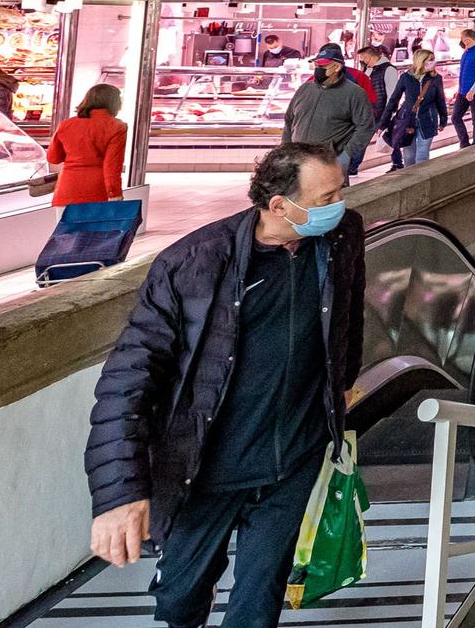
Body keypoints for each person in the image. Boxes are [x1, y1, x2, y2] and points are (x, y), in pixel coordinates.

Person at [84, 144, 364, 628]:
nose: (340, 205)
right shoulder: (192, 264)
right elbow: (128, 378)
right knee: (180, 598)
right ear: (280, 206)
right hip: (206, 470)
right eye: (327, 197)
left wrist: (342, 383)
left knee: (258, 602)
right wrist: (118, 495)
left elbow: (347, 314)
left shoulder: (341, 236)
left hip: (292, 463)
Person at [280, 44, 376, 180]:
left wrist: (346, 156)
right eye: (316, 65)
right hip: (298, 163)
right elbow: (289, 120)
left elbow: (366, 127)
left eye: (322, 66)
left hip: (329, 165)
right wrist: (285, 149)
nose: (318, 69)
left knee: (328, 199)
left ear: (337, 67)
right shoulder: (305, 89)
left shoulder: (354, 93)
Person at [47, 83, 129, 205]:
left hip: (67, 189)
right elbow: (112, 166)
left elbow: (53, 158)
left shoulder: (66, 124)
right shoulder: (117, 127)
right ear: (114, 103)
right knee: (97, 224)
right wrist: (115, 194)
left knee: (66, 224)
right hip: (98, 190)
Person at [384, 48, 446, 168]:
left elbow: (440, 100)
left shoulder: (436, 78)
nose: (434, 62)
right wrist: (383, 123)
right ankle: (410, 181)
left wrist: (443, 119)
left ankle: (421, 182)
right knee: (408, 156)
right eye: (430, 60)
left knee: (422, 155)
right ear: (421, 61)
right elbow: (394, 99)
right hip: (407, 121)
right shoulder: (406, 77)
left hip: (428, 120)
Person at [351, 44, 394, 176]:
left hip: (379, 111)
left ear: (368, 56)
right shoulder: (369, 69)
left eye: (362, 58)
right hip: (366, 111)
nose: (361, 61)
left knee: (389, 138)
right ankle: (352, 167)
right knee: (361, 139)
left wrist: (388, 113)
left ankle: (397, 163)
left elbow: (392, 93)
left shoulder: (389, 69)